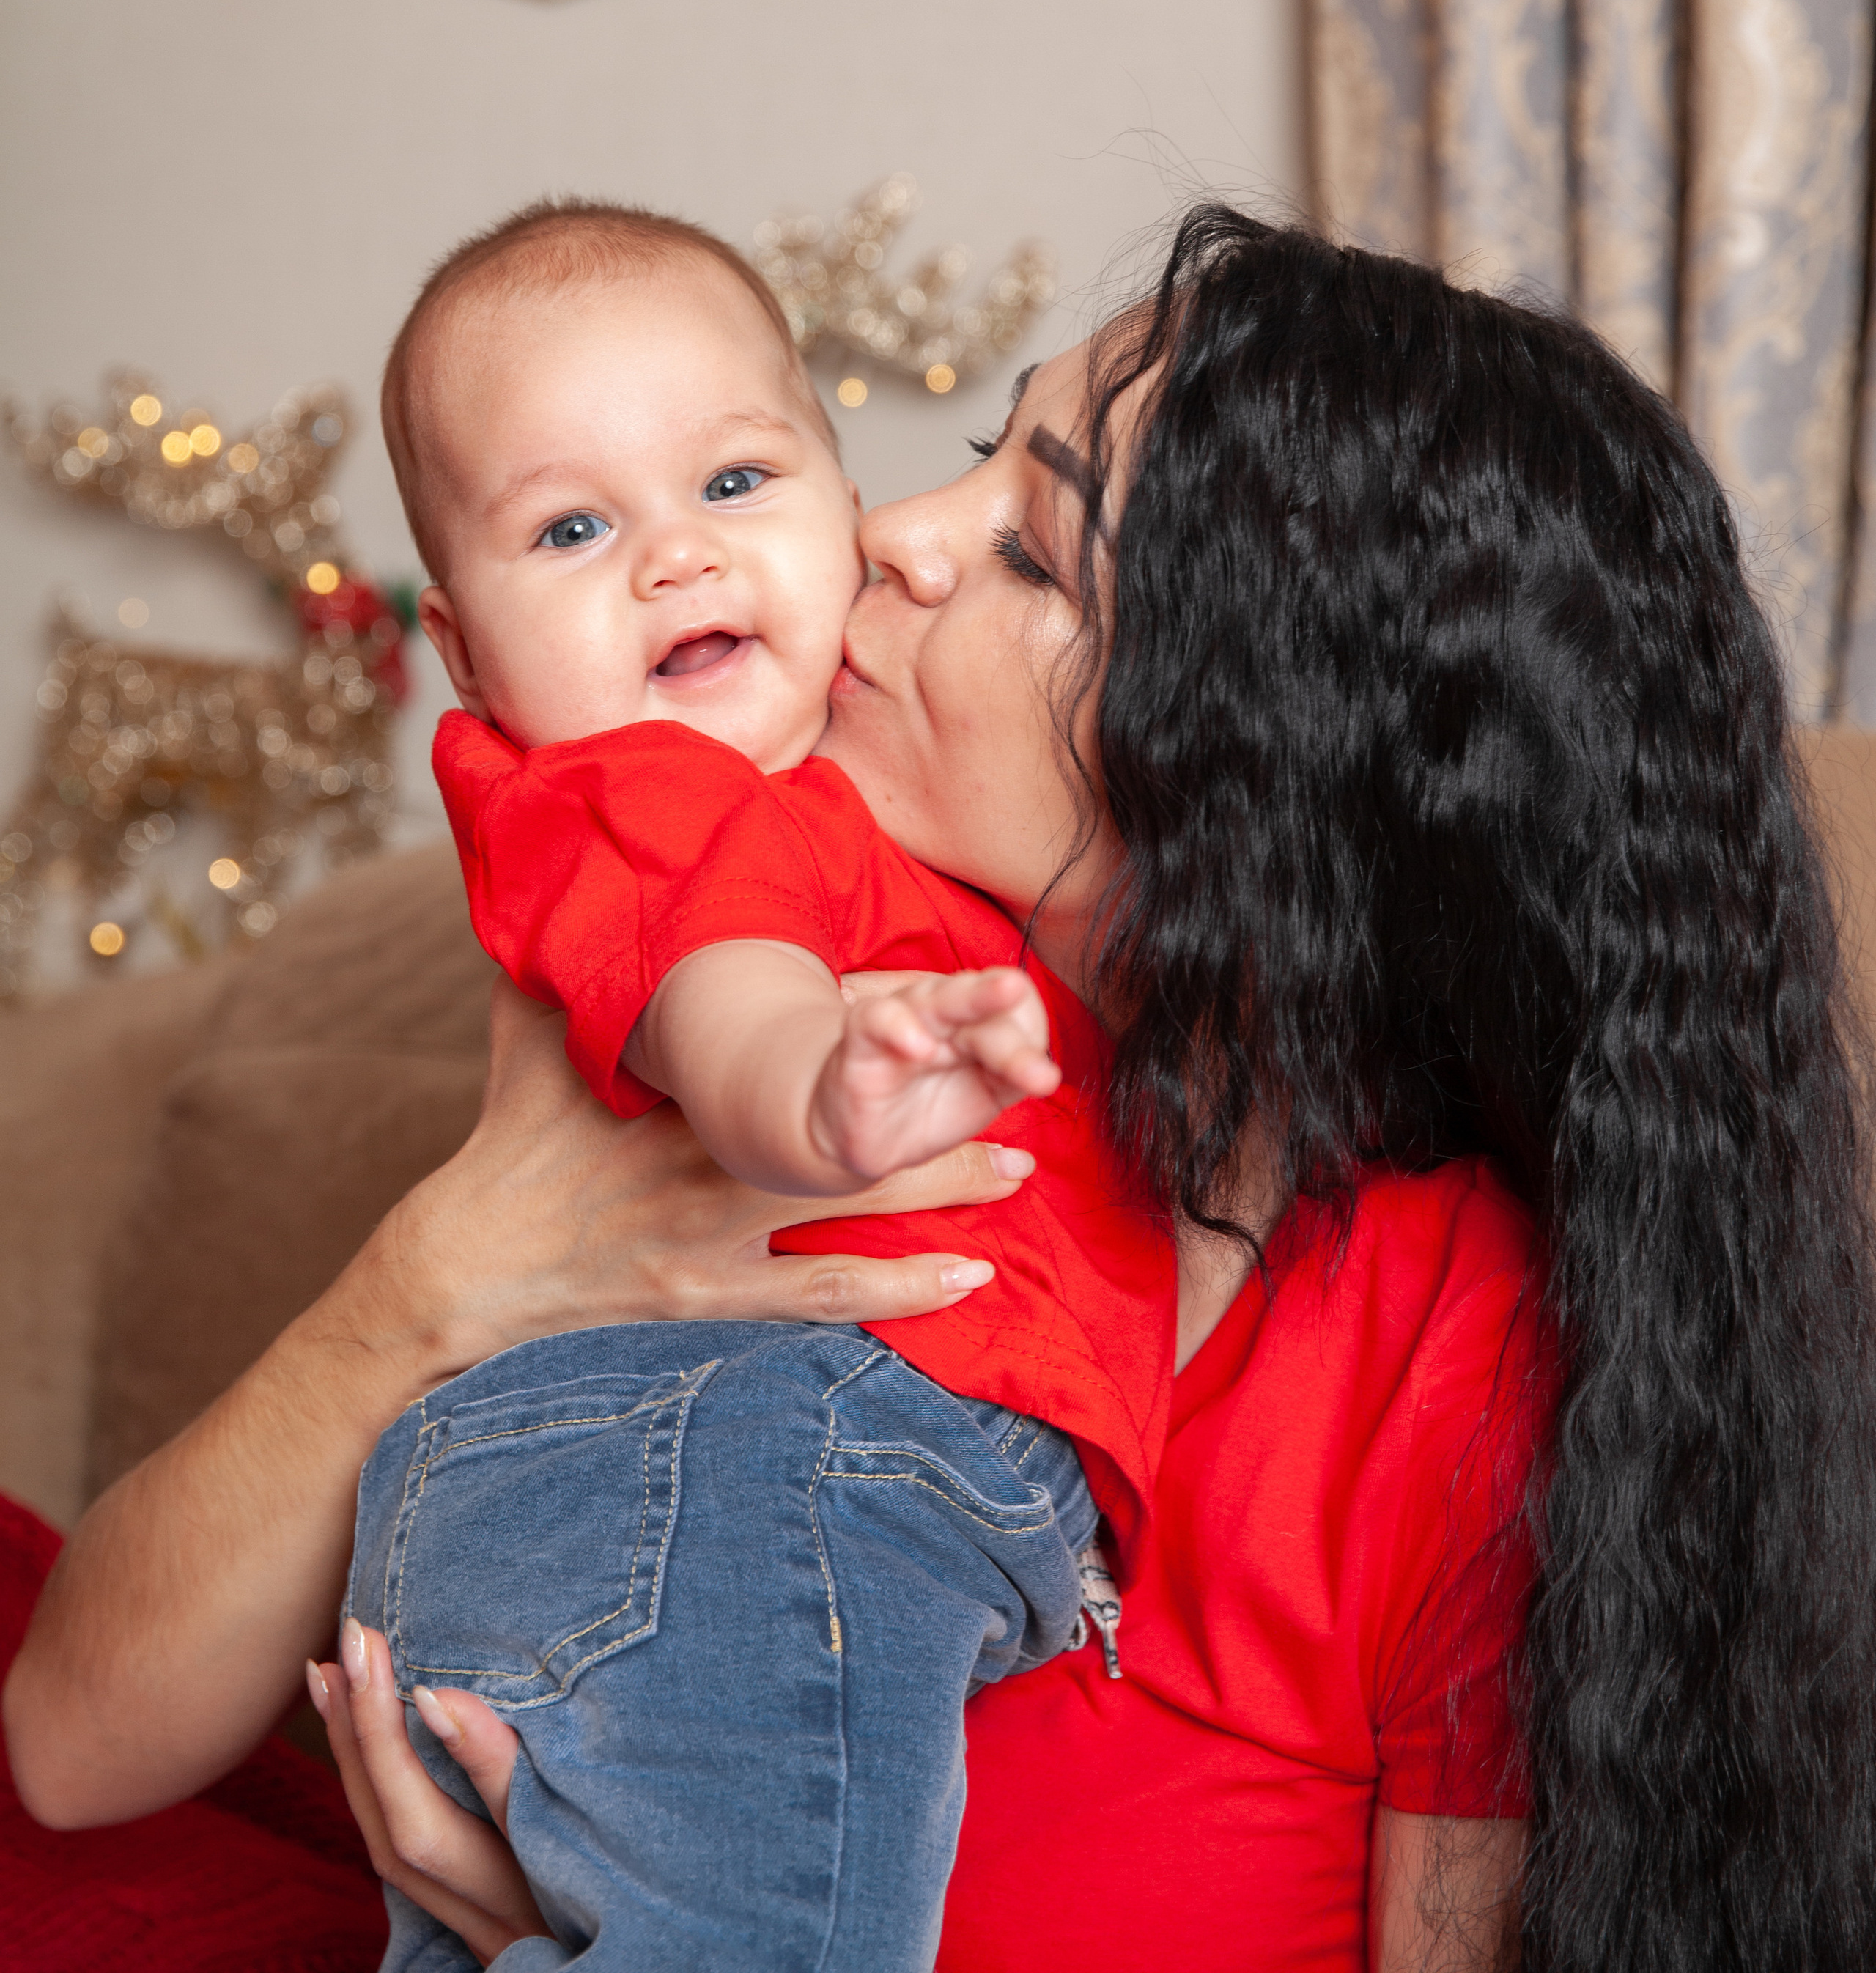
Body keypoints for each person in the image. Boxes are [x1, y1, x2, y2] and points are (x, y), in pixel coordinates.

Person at [10, 210, 1875, 1973]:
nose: (891, 527)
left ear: (1258, 763)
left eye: (1030, 550)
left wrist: (583, 1924)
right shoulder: (763, 987)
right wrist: (427, 1285)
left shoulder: (1446, 1353)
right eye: (975, 455)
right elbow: (77, 1749)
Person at [354, 198, 1172, 1972]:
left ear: (831, 487)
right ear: (468, 652)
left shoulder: (854, 784)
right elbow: (723, 991)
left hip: (629, 1469)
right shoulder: (648, 798)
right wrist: (823, 1092)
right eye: (572, 528)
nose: (673, 559)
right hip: (756, 1445)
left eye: (734, 484)